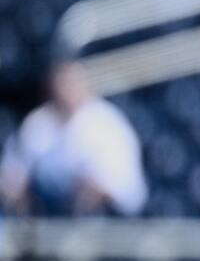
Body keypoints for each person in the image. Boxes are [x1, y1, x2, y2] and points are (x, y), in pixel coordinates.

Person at [0, 61, 147, 216]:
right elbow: (13, 175)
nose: (66, 91)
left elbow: (123, 189)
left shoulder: (106, 123)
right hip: (47, 211)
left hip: (104, 217)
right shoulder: (39, 122)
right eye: (62, 85)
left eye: (72, 84)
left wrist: (91, 191)